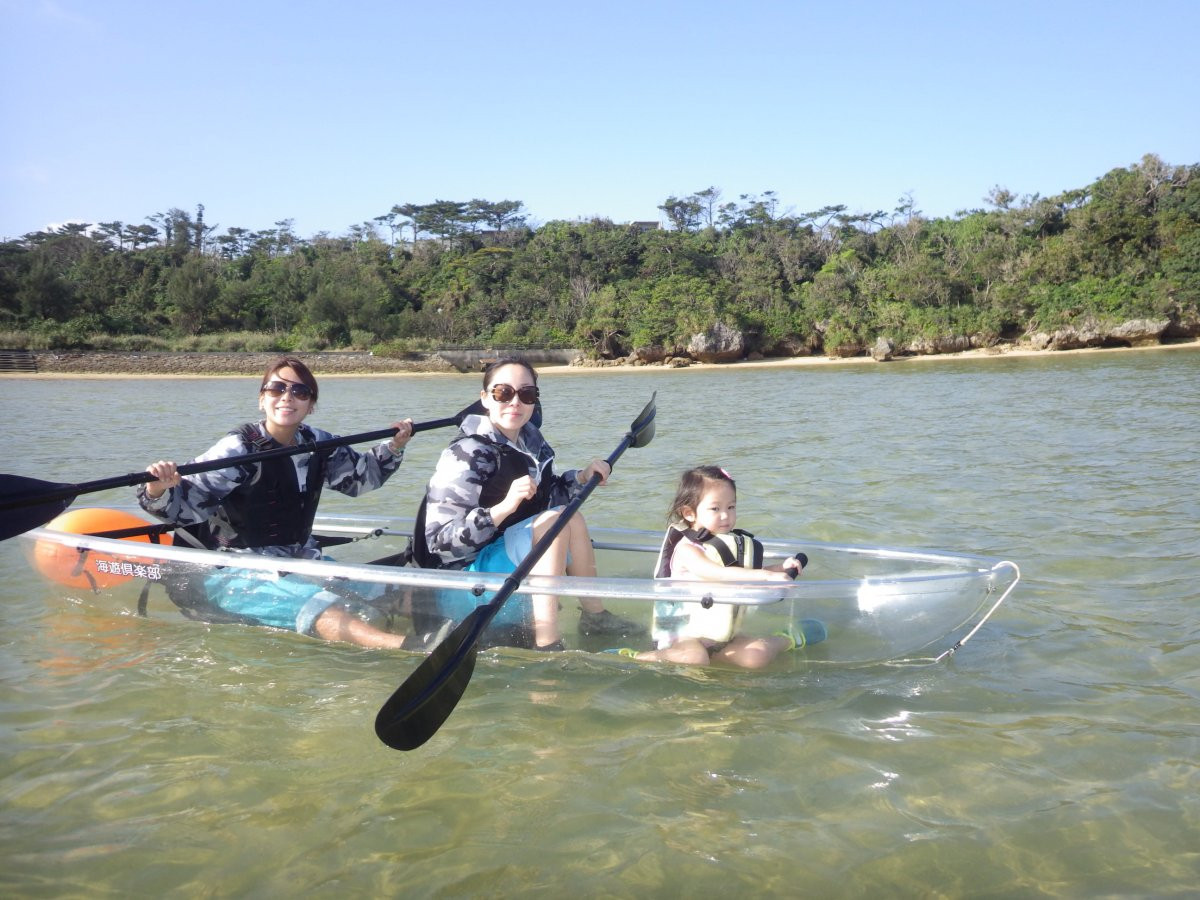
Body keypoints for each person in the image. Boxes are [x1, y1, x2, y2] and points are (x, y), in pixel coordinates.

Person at [136, 356, 418, 649]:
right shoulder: (238, 448)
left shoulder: (318, 443)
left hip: (302, 560)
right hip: (234, 571)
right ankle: (410, 648)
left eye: (300, 392)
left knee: (385, 590)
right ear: (262, 399)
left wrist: (394, 446)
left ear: (311, 405)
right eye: (276, 389)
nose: (287, 397)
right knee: (324, 609)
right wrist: (157, 487)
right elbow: (184, 508)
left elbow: (361, 480)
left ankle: (454, 630)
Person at [415, 356, 644, 650]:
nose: (515, 402)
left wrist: (582, 477)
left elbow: (546, 502)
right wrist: (503, 508)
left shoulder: (531, 442)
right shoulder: (466, 453)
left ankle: (595, 617)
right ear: (485, 398)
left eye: (526, 394)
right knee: (554, 523)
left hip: (508, 573)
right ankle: (547, 641)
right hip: (463, 586)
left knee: (569, 517)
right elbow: (439, 543)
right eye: (503, 393)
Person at [611, 465, 825, 668]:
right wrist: (768, 576)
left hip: (720, 635)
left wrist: (780, 567)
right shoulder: (688, 550)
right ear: (689, 513)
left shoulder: (725, 543)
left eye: (731, 507)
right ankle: (637, 656)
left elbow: (744, 573)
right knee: (695, 658)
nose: (726, 516)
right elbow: (716, 573)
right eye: (715, 508)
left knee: (755, 657)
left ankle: (785, 639)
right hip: (684, 636)